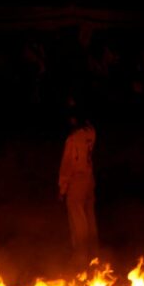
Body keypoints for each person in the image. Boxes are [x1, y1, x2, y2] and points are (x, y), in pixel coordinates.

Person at [58, 113, 98, 264]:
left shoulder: (73, 139)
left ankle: (81, 255)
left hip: (77, 179)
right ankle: (94, 251)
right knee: (89, 214)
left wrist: (63, 187)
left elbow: (67, 165)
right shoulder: (91, 131)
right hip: (89, 177)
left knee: (77, 217)